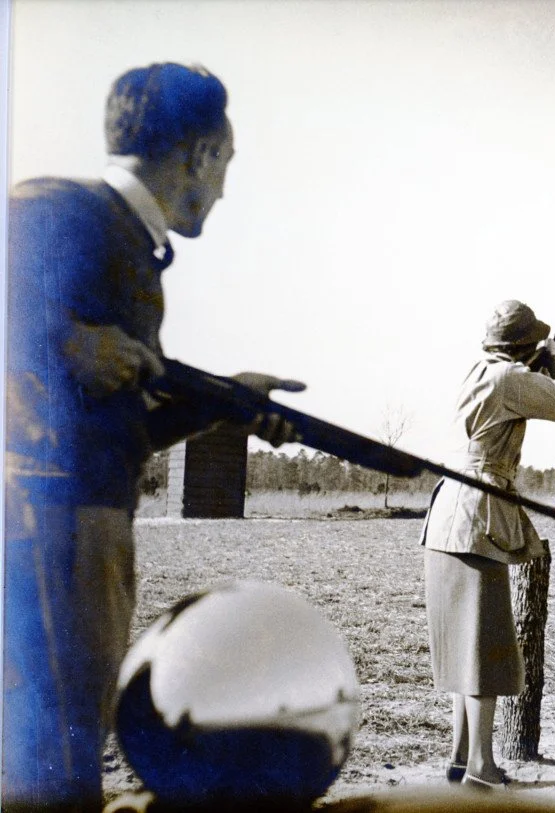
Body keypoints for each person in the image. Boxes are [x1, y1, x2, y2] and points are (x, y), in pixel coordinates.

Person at [3, 62, 303, 813]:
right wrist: (65, 339)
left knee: (69, 752)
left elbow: (123, 427)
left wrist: (224, 404)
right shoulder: (62, 210)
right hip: (45, 523)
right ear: (200, 154)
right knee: (46, 763)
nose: (224, 189)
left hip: (90, 523)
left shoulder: (138, 252)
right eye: (226, 163)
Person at [420, 299, 555, 790]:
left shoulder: (483, 371)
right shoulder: (509, 379)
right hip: (478, 519)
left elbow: (522, 382)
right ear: (523, 345)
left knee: (465, 646)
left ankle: (461, 757)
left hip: (449, 517)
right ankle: (482, 767)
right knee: (486, 649)